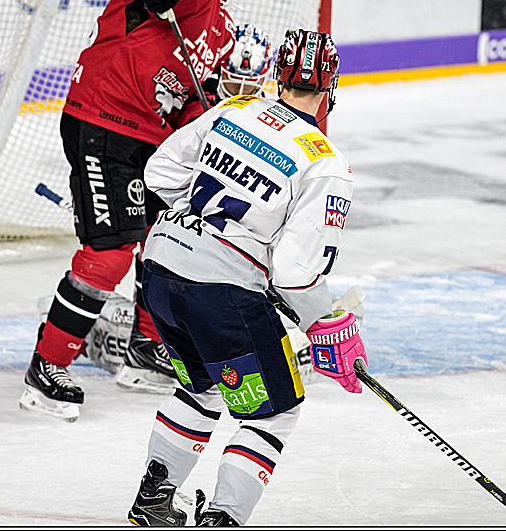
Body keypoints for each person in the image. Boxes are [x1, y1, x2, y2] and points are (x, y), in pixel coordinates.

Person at [19, 0, 260, 422]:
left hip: (155, 140)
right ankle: (47, 366)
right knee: (110, 253)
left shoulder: (224, 29)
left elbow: (195, 101)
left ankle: (147, 349)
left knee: (168, 239)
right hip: (103, 119)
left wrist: (210, 135)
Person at [125, 29, 366, 526]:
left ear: (279, 77)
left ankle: (153, 500)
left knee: (202, 389)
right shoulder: (324, 163)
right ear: (330, 89)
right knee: (273, 410)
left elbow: (161, 172)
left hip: (162, 273)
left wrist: (209, 235)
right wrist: (331, 324)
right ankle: (224, 519)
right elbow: (297, 275)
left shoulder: (235, 109)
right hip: (220, 297)